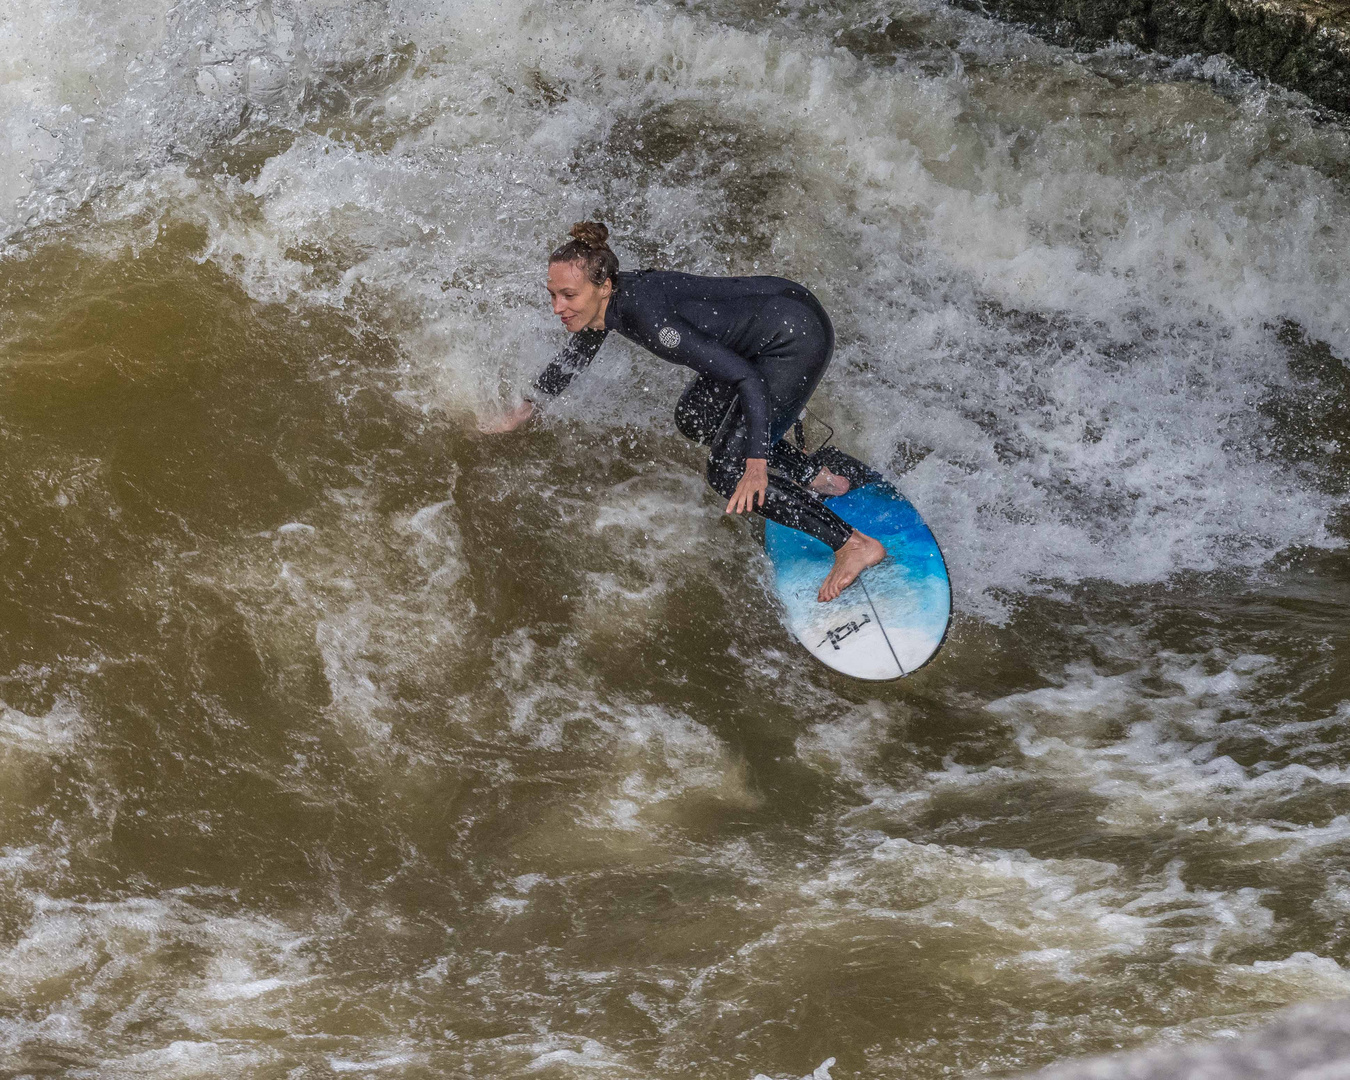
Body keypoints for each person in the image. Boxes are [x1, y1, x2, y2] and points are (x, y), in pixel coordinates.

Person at [487, 221, 885, 603]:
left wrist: (757, 462)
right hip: (777, 312)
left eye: (568, 296)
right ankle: (814, 476)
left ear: (603, 287)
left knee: (727, 472)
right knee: (695, 417)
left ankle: (853, 544)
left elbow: (747, 379)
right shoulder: (609, 302)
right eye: (552, 295)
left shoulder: (653, 323)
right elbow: (581, 350)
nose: (558, 307)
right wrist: (528, 407)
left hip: (794, 339)